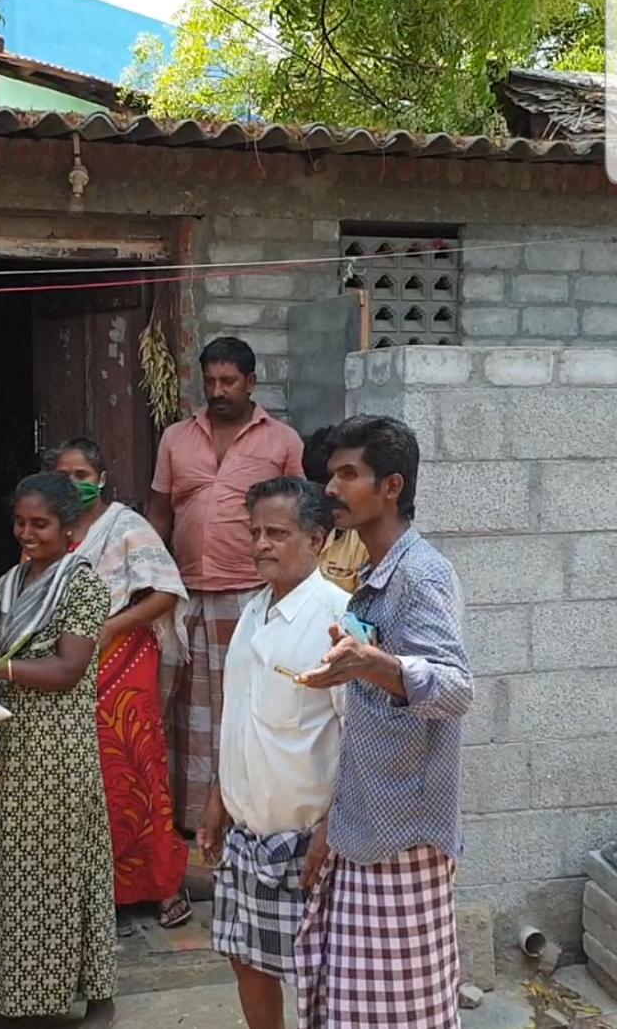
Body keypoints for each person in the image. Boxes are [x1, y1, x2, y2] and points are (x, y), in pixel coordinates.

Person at [293, 415, 471, 1029]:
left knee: (402, 1013)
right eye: (330, 474)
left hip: (405, 837)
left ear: (391, 487)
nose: (331, 488)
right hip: (363, 825)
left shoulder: (420, 574)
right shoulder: (375, 574)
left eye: (349, 474)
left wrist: (377, 665)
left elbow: (455, 688)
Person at [0, 473, 117, 1021]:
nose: (27, 533)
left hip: (57, 749)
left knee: (60, 869)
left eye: (40, 524)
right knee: (1, 866)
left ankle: (90, 996)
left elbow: (68, 670)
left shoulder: (83, 586)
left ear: (69, 527)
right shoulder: (4, 586)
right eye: (20, 523)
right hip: (6, 742)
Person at [199, 478, 348, 1029]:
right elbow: (238, 715)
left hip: (306, 840)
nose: (261, 544)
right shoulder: (253, 613)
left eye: (277, 534)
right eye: (255, 532)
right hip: (246, 831)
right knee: (246, 959)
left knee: (318, 975)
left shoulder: (338, 620)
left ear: (317, 540)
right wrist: (218, 797)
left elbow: (359, 735)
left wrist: (333, 828)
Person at [146, 336, 305, 840]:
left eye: (228, 381)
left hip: (251, 596)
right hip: (184, 596)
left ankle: (242, 818)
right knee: (185, 714)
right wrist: (148, 577)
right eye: (210, 381)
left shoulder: (282, 441)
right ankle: (188, 823)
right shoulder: (175, 438)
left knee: (243, 709)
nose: (217, 391)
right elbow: (160, 512)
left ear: (251, 382)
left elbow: (302, 516)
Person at [51, 438, 193, 931]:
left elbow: (167, 592)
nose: (74, 485)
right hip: (68, 663)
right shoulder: (49, 525)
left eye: (82, 476)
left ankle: (162, 884)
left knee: (135, 767)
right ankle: (96, 892)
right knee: (83, 776)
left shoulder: (126, 526)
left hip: (125, 659)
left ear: (102, 478)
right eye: (64, 476)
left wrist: (113, 626)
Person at [302, 425, 369, 594]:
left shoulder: (366, 539)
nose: (331, 491)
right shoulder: (294, 531)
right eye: (325, 484)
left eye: (346, 477)